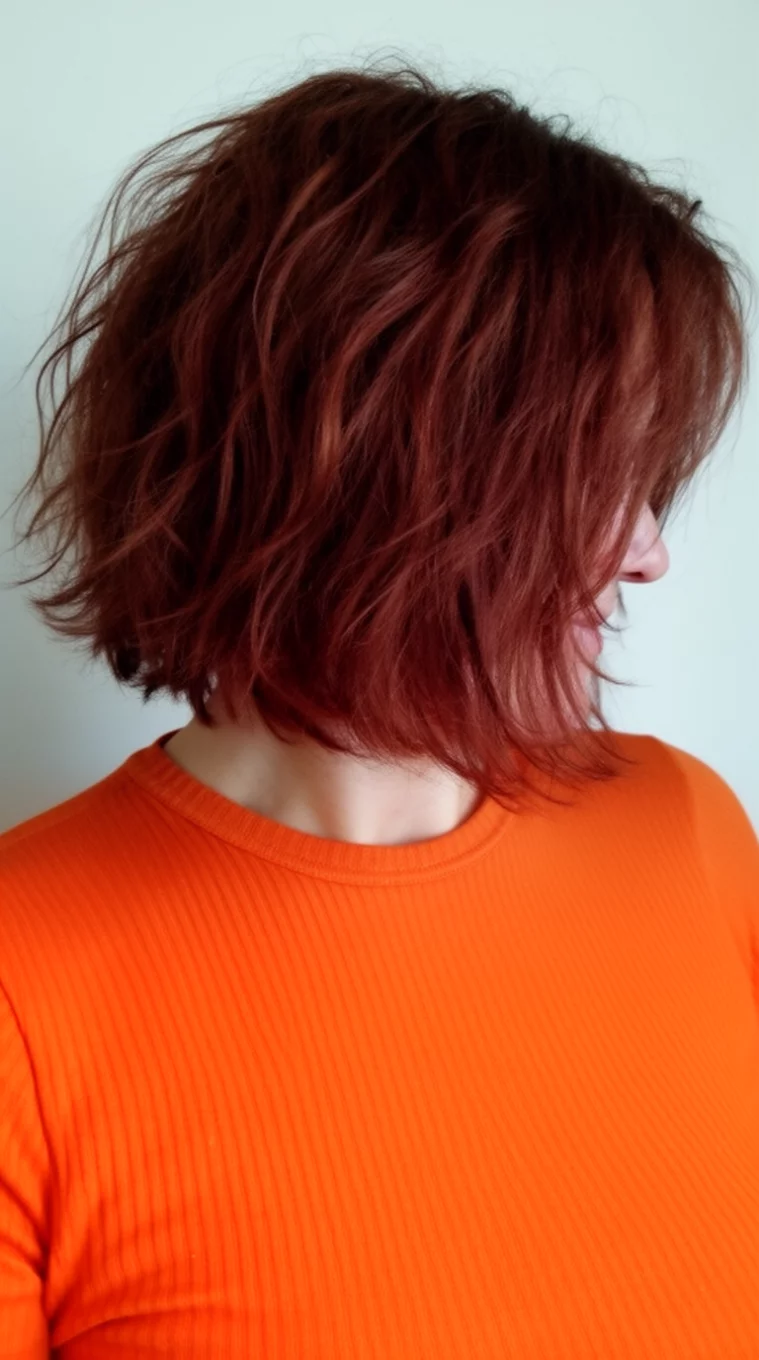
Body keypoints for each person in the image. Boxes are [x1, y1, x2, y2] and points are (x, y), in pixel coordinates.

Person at [1, 58, 757, 1360]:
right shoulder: (24, 984)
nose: (647, 555)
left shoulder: (683, 828)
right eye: (593, 480)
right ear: (378, 481)